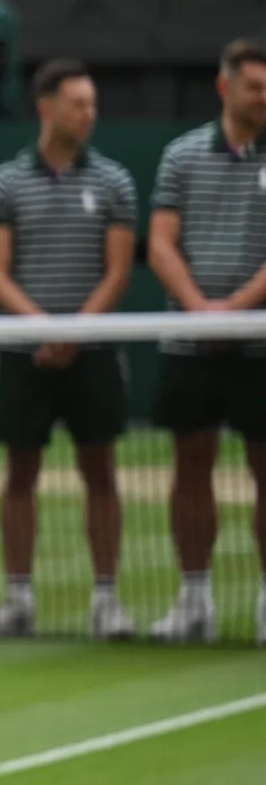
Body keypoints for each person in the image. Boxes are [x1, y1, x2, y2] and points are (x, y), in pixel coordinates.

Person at [0, 59, 138, 640]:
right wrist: (43, 328)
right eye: (78, 104)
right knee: (20, 473)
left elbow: (117, 272)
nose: (88, 114)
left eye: (92, 104)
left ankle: (107, 600)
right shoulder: (1, 183)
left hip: (92, 353)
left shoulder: (115, 182)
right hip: (24, 354)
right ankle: (17, 598)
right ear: (46, 108)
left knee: (102, 473)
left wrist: (74, 333)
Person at [145, 38, 266, 643]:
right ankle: (195, 601)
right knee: (190, 471)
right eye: (255, 87)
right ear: (227, 89)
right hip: (191, 344)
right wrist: (200, 312)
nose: (264, 97)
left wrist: (236, 312)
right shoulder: (181, 156)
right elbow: (161, 241)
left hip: (260, 345)